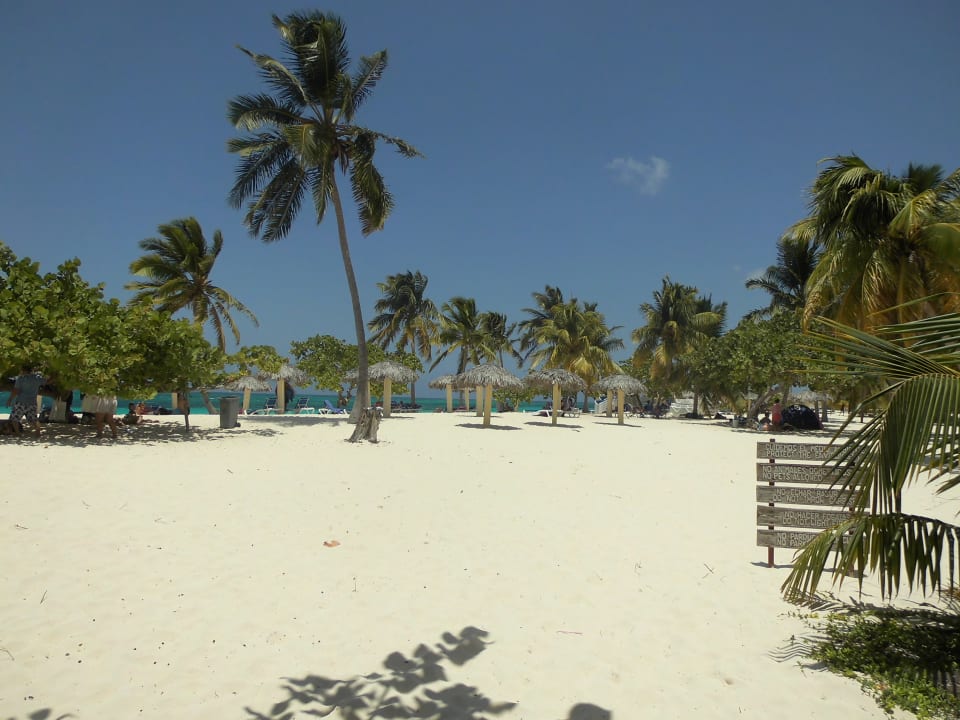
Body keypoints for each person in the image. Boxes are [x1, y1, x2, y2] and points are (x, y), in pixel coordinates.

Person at [8, 364, 43, 437]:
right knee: (33, 419)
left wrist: (10, 399)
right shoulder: (37, 378)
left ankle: (18, 433)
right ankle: (38, 430)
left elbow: (16, 391)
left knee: (15, 418)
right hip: (32, 402)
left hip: (21, 402)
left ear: (23, 370)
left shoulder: (21, 379)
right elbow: (47, 381)